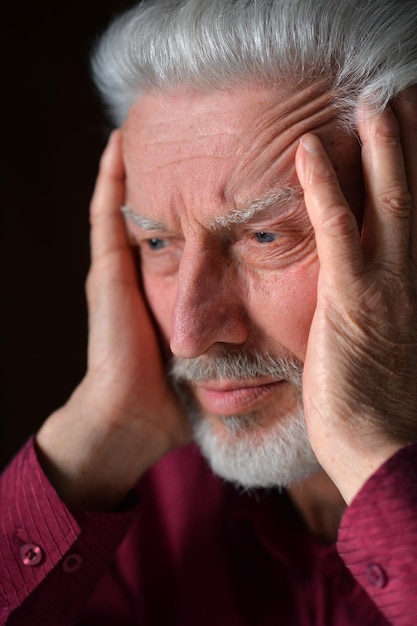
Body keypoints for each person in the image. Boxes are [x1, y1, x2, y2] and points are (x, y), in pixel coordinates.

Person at [1, 0, 417, 623]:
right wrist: (92, 443)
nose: (188, 335)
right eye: (159, 244)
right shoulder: (137, 500)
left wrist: (369, 454)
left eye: (267, 237)